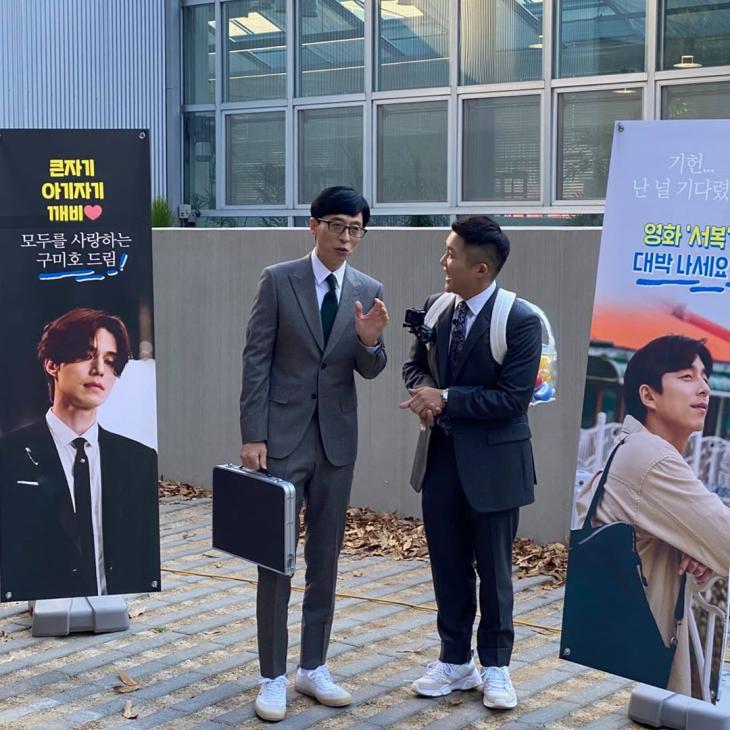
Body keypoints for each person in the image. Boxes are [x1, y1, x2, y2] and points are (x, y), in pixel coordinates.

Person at [240, 186, 389, 722]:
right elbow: (256, 358)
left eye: (356, 229)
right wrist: (253, 434)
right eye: (337, 226)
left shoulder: (368, 290)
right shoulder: (279, 280)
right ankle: (272, 676)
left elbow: (370, 369)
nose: (346, 238)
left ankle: (314, 666)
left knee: (325, 557)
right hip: (281, 438)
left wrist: (370, 342)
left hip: (336, 442)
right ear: (314, 225)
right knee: (275, 559)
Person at [401, 216, 542, 711]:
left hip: (496, 467)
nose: (443, 261)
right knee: (448, 565)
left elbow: (513, 399)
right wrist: (424, 391)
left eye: (451, 254)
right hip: (440, 460)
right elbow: (415, 365)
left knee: (495, 570)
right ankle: (455, 661)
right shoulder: (438, 307)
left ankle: (497, 667)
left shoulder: (519, 321)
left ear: (481, 269)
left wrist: (446, 398)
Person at [573, 334, 730, 696]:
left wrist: (702, 549)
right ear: (648, 395)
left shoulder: (633, 447)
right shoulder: (652, 459)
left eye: (705, 377)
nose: (704, 388)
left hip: (622, 641)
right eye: (687, 376)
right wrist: (711, 545)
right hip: (635, 652)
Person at [0, 307, 160, 601]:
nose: (99, 369)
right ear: (52, 364)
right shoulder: (9, 455)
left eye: (110, 361)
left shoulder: (140, 460)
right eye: (87, 355)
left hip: (115, 608)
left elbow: (142, 552)